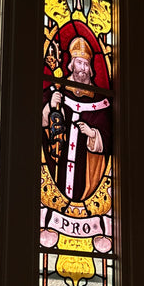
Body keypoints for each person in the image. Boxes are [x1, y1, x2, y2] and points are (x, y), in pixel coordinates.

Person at [42, 34, 111, 202]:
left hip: (85, 168)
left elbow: (108, 135)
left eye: (86, 64)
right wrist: (50, 106)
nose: (83, 68)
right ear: (72, 65)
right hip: (59, 162)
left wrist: (92, 134)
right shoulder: (57, 90)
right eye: (79, 63)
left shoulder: (99, 101)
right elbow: (37, 124)